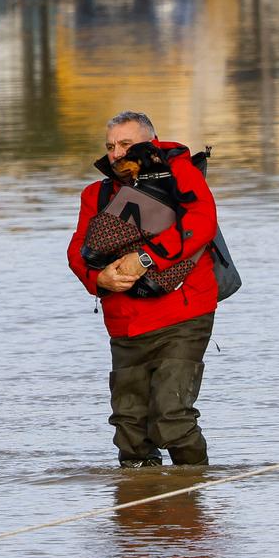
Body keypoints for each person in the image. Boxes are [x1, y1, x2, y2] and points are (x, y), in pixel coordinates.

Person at [67, 111, 219, 467]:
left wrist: (146, 259)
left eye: (126, 144)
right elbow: (77, 252)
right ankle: (141, 516)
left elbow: (203, 222)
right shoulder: (96, 193)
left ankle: (193, 504)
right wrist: (98, 279)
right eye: (110, 146)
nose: (117, 153)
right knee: (130, 430)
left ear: (150, 142)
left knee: (172, 419)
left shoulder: (182, 174)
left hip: (183, 315)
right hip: (124, 324)